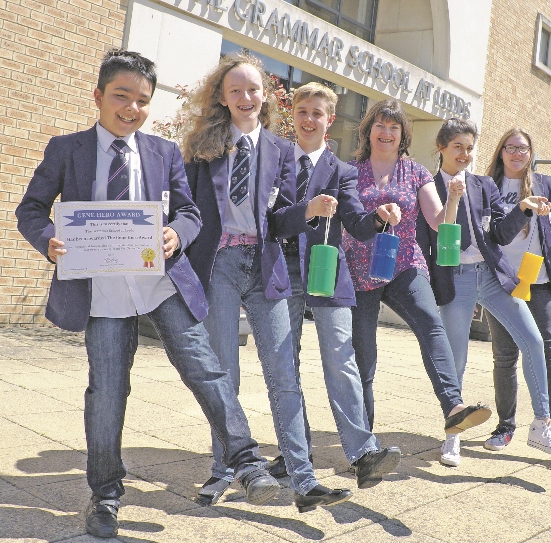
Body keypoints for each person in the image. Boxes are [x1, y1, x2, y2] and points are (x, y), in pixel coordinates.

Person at [14, 50, 279, 538]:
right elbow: (29, 209)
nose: (132, 108)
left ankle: (247, 462)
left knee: (207, 370)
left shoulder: (161, 153)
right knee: (108, 394)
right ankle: (106, 496)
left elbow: (190, 212)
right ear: (98, 96)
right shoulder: (66, 150)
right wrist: (48, 239)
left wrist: (178, 231)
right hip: (101, 295)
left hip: (160, 284)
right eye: (121, 96)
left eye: (142, 100)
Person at [181, 52, 351, 512]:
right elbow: (190, 211)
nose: (244, 97)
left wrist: (309, 212)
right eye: (234, 89)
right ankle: (223, 470)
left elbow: (277, 220)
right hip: (218, 266)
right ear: (222, 96)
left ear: (266, 95)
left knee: (283, 374)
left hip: (266, 264)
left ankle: (304, 479)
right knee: (223, 376)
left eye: (252, 89)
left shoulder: (279, 149)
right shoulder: (204, 145)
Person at [268, 82, 402, 486]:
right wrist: (305, 211)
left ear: (330, 121)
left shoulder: (342, 172)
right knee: (283, 366)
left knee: (342, 361)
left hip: (329, 271)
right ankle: (295, 453)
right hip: (283, 271)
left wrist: (379, 217)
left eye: (318, 113)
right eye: (303, 111)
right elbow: (270, 222)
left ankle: (363, 455)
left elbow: (359, 228)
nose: (310, 119)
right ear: (294, 115)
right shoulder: (274, 162)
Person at [416, 118, 551, 468]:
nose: (465, 154)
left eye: (470, 148)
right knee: (456, 358)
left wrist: (523, 208)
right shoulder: (428, 186)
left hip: (491, 275)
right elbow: (438, 232)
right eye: (457, 147)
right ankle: (452, 436)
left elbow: (499, 233)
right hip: (455, 277)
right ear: (441, 147)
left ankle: (542, 425)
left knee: (533, 341)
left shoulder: (484, 185)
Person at [341, 99, 492, 448]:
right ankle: (364, 445)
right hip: (359, 270)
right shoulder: (349, 171)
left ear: (403, 135)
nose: (386, 133)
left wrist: (453, 198)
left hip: (404, 264)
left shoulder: (417, 173)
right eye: (380, 125)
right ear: (368, 130)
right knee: (364, 358)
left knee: (430, 322)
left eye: (394, 127)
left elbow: (440, 223)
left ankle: (453, 406)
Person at [482, 128, 551, 453]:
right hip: (501, 283)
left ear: (531, 153)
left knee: (548, 352)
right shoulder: (489, 188)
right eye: (511, 147)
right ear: (501, 152)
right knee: (505, 357)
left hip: (540, 282)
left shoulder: (546, 184)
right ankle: (505, 427)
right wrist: (524, 209)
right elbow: (498, 235)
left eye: (523, 148)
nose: (517, 153)